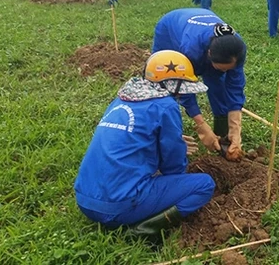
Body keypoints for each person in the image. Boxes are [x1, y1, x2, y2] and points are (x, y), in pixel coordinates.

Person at [74, 50, 216, 238]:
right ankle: (144, 229)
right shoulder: (166, 105)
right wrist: (176, 161)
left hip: (85, 199)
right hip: (118, 206)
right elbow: (173, 165)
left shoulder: (122, 99)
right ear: (173, 85)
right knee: (204, 184)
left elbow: (134, 136)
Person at [152, 9, 248, 160]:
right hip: (170, 29)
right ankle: (163, 130)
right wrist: (201, 126)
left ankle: (222, 137)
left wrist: (235, 130)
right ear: (209, 54)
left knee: (218, 84)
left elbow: (234, 88)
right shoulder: (191, 49)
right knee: (167, 84)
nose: (225, 72)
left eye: (228, 69)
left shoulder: (236, 49)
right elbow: (183, 88)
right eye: (221, 68)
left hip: (204, 36)